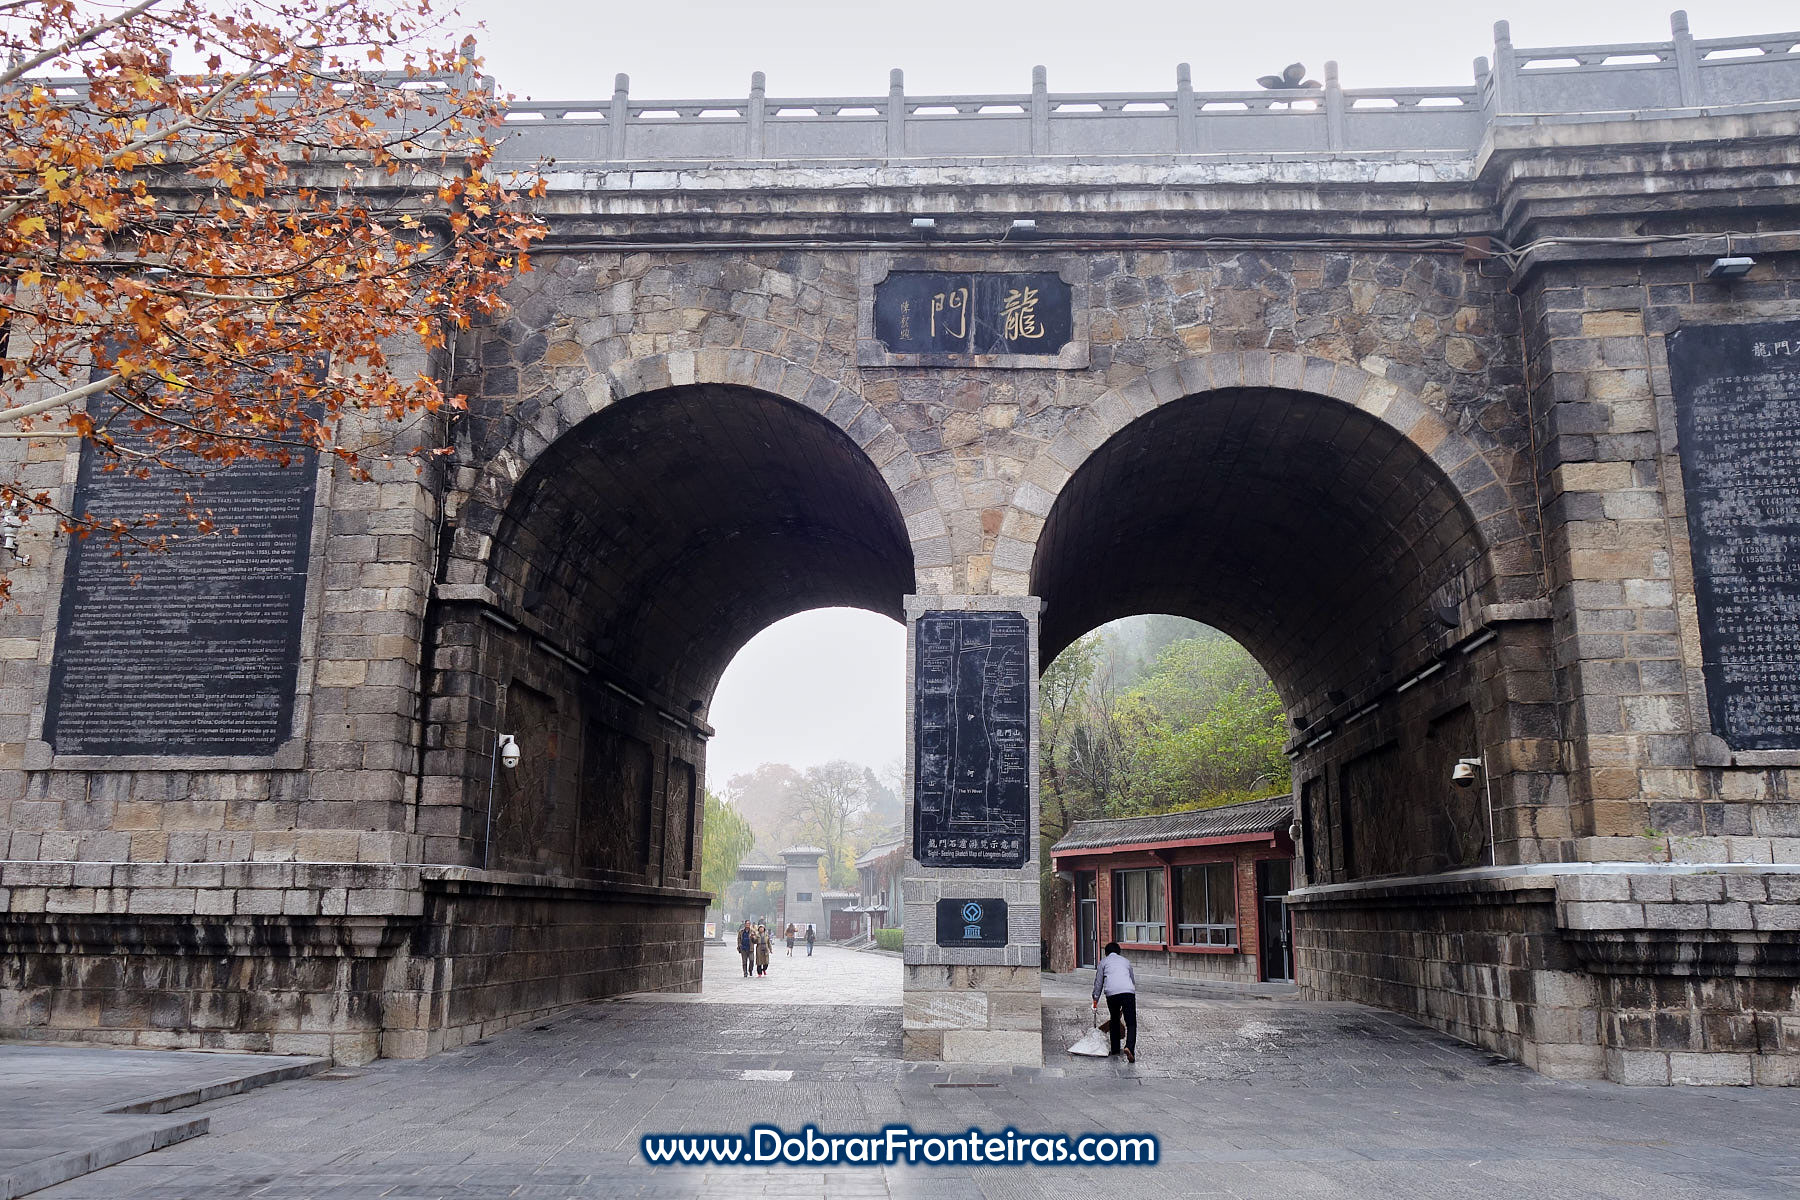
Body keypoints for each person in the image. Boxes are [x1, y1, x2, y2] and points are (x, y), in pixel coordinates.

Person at [1092, 940, 1138, 1062]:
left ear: (1106, 953)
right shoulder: (1126, 961)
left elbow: (1098, 983)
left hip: (1112, 993)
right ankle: (1129, 1047)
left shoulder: (1103, 962)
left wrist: (1095, 998)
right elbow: (1132, 980)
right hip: (1128, 992)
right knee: (1131, 1022)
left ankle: (1116, 1048)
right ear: (1119, 952)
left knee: (1114, 1019)